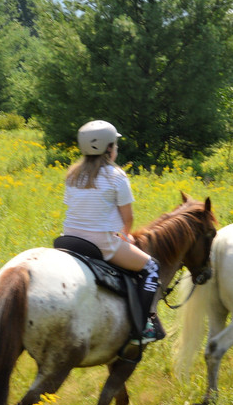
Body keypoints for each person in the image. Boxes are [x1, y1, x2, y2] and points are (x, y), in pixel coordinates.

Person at [62, 120, 164, 342]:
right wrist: (125, 237)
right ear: (108, 149)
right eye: (115, 145)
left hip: (68, 240)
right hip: (101, 243)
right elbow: (128, 218)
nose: (116, 148)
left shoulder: (72, 174)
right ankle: (142, 328)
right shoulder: (116, 176)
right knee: (151, 268)